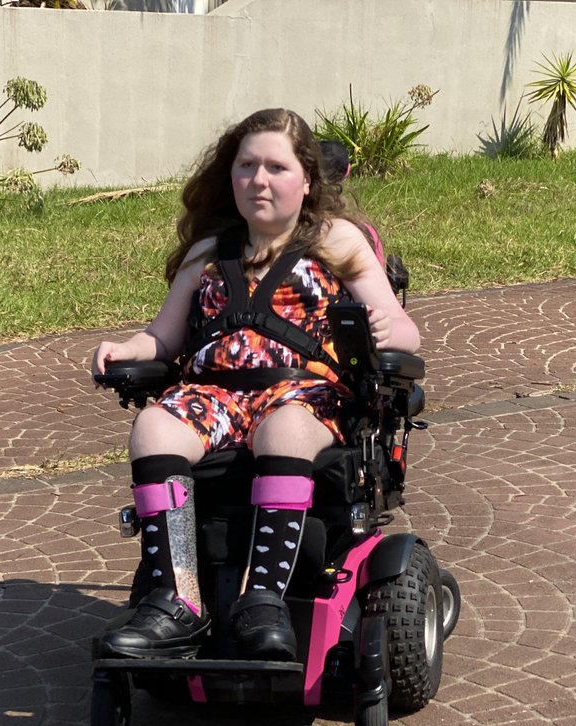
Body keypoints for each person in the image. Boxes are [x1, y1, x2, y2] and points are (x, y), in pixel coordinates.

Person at [91, 108, 419, 662]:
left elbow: (405, 331)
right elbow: (164, 337)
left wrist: (388, 330)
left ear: (307, 179)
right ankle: (179, 602)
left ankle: (262, 599)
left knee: (284, 429)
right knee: (152, 427)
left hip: (305, 394)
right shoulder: (209, 251)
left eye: (276, 167)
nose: (258, 180)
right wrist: (129, 349)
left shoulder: (337, 240)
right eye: (246, 166)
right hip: (215, 393)